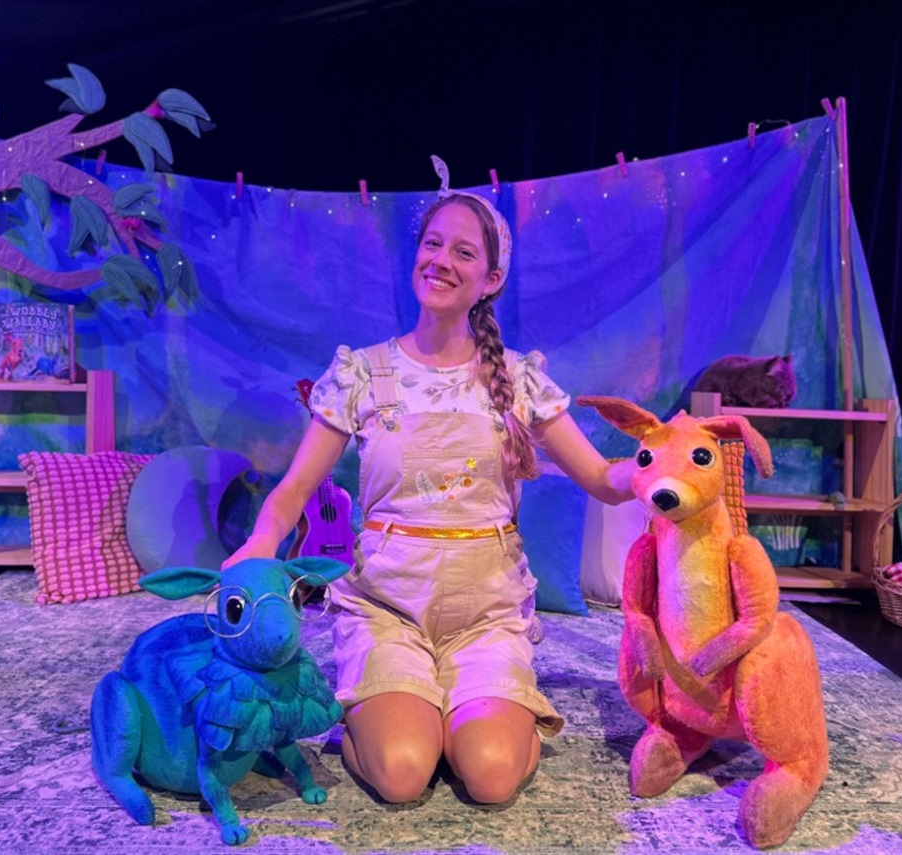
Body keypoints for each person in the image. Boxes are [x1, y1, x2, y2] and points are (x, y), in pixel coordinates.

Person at [224, 162, 637, 806]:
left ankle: (475, 708)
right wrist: (260, 542)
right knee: (402, 774)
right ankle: (407, 705)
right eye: (433, 243)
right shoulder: (362, 373)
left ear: (490, 279)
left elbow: (603, 480)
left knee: (493, 777)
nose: (441, 260)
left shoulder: (521, 380)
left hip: (486, 613)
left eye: (463, 251)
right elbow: (293, 490)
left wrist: (660, 465)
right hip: (390, 607)